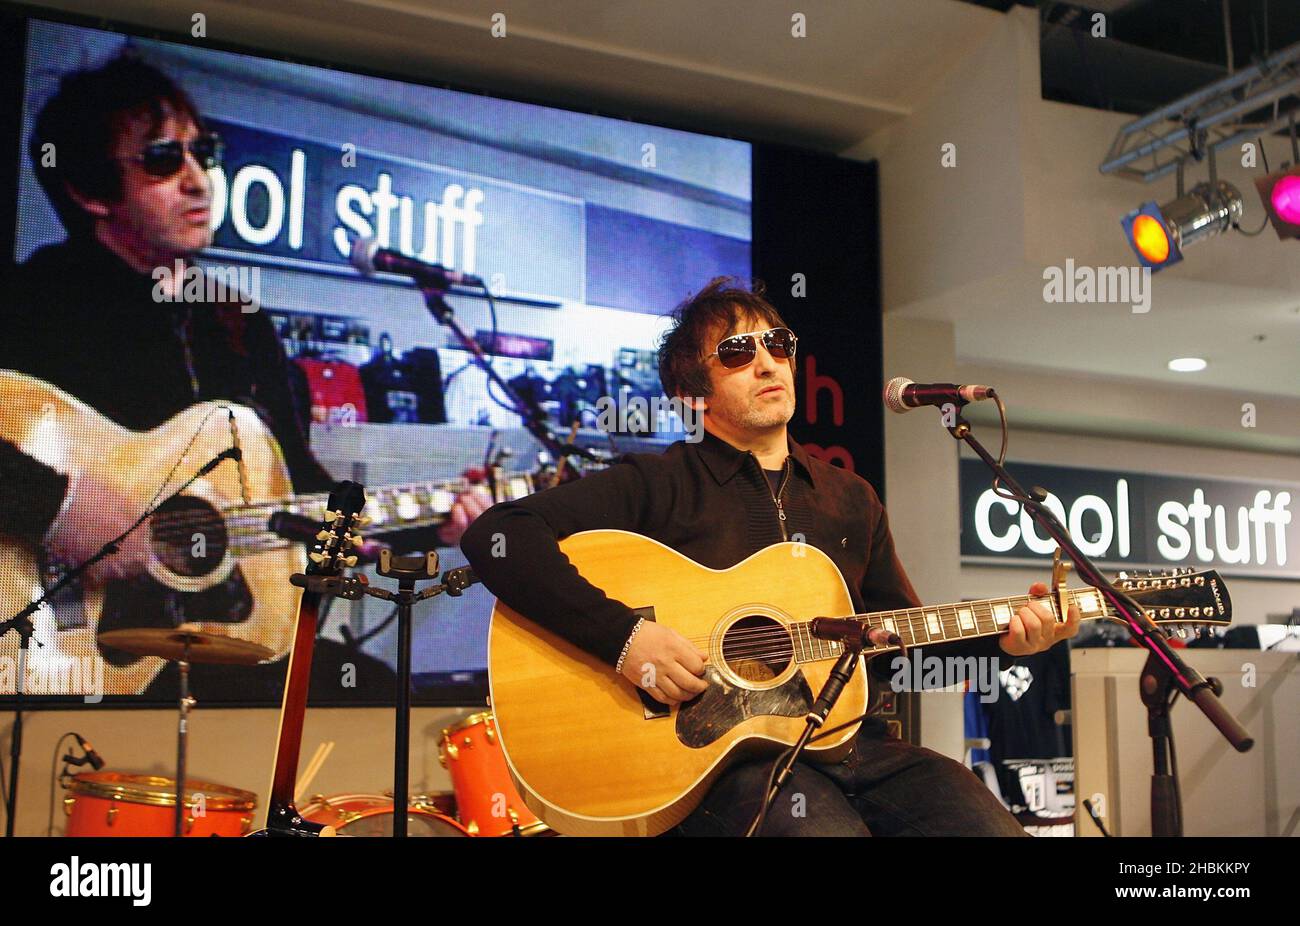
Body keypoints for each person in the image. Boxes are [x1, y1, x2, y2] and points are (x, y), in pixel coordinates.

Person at [462, 277, 1081, 836]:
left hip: (858, 748)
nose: (767, 363)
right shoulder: (657, 483)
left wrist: (1007, 642)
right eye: (737, 353)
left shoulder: (850, 497)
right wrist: (626, 639)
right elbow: (500, 534)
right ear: (690, 393)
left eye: (778, 345)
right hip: (727, 764)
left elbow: (893, 651)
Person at [0, 54, 490, 698]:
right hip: (57, 647)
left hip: (209, 635)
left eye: (204, 153)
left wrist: (436, 523)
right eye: (162, 160)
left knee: (384, 699)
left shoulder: (237, 319)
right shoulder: (30, 301)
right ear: (91, 189)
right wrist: (57, 507)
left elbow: (296, 488)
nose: (199, 181)